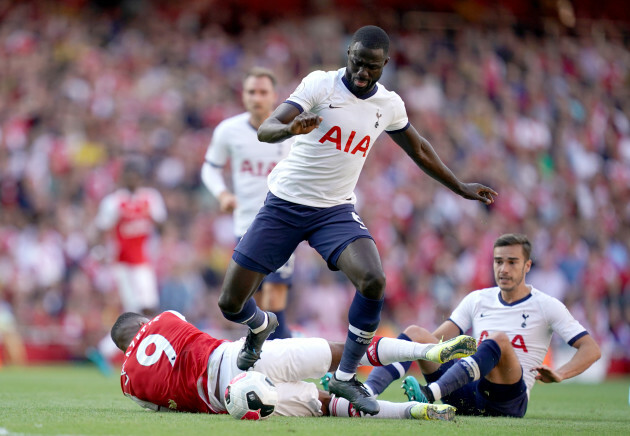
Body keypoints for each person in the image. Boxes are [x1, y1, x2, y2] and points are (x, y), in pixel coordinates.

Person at [216, 25, 498, 415]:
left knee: (373, 279)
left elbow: (419, 149)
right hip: (284, 205)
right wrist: (290, 129)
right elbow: (266, 129)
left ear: (385, 64)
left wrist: (459, 186)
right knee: (231, 303)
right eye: (357, 63)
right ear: (348, 53)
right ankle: (261, 326)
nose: (363, 73)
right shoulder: (320, 85)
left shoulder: (389, 104)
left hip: (334, 211)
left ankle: (346, 377)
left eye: (372, 67)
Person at [364, 233, 601, 418]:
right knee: (416, 333)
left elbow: (591, 348)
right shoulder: (478, 299)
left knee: (497, 341)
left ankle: (429, 394)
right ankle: (365, 393)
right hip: (467, 393)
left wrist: (560, 373)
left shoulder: (546, 305)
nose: (503, 269)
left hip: (508, 401)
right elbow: (435, 344)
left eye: (512, 262)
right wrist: (418, 351)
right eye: (498, 261)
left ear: (527, 266)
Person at [111, 310, 478, 420]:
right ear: (144, 322)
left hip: (229, 398)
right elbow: (187, 333)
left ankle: (415, 411)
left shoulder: (129, 385)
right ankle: (426, 353)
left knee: (325, 405)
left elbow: (165, 406)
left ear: (123, 346)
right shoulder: (165, 318)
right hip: (241, 354)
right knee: (343, 351)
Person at [201, 67, 294, 339]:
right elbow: (210, 167)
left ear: (274, 96)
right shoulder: (229, 130)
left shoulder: (291, 132)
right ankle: (282, 351)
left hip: (285, 222)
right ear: (243, 96)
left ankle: (275, 358)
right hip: (246, 224)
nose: (257, 98)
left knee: (274, 296)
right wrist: (222, 194)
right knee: (252, 297)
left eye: (263, 92)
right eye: (251, 92)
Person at [89, 159, 167, 373]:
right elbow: (100, 228)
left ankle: (105, 350)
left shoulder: (150, 198)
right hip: (123, 264)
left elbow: (162, 223)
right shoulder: (114, 202)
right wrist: (99, 251)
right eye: (129, 175)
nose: (133, 179)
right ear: (123, 177)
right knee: (139, 309)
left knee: (143, 309)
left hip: (143, 262)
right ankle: (135, 355)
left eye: (136, 175)